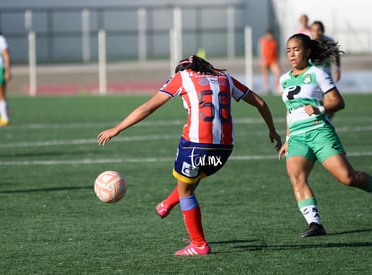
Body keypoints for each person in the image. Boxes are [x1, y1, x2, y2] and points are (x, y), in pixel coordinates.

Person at [98, 55, 282, 256]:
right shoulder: (225, 78)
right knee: (193, 178)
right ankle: (166, 205)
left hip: (195, 145)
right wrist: (272, 130)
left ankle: (199, 244)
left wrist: (117, 129)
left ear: (183, 68)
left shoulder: (184, 76)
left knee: (186, 189)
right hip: (224, 149)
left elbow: (148, 107)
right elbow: (261, 103)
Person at [278, 33, 372, 238]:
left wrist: (319, 108)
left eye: (296, 49)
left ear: (308, 51)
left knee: (348, 178)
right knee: (297, 177)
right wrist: (287, 139)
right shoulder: (284, 79)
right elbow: (290, 110)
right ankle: (315, 224)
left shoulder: (318, 73)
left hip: (319, 131)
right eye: (288, 50)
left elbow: (338, 102)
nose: (292, 54)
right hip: (297, 137)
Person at [257, 29, 281, 94]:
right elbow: (260, 50)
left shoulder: (274, 41)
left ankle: (277, 85)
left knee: (277, 72)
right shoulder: (262, 41)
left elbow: (277, 51)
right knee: (265, 74)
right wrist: (261, 59)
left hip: (273, 60)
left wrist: (277, 60)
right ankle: (267, 87)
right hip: (265, 60)